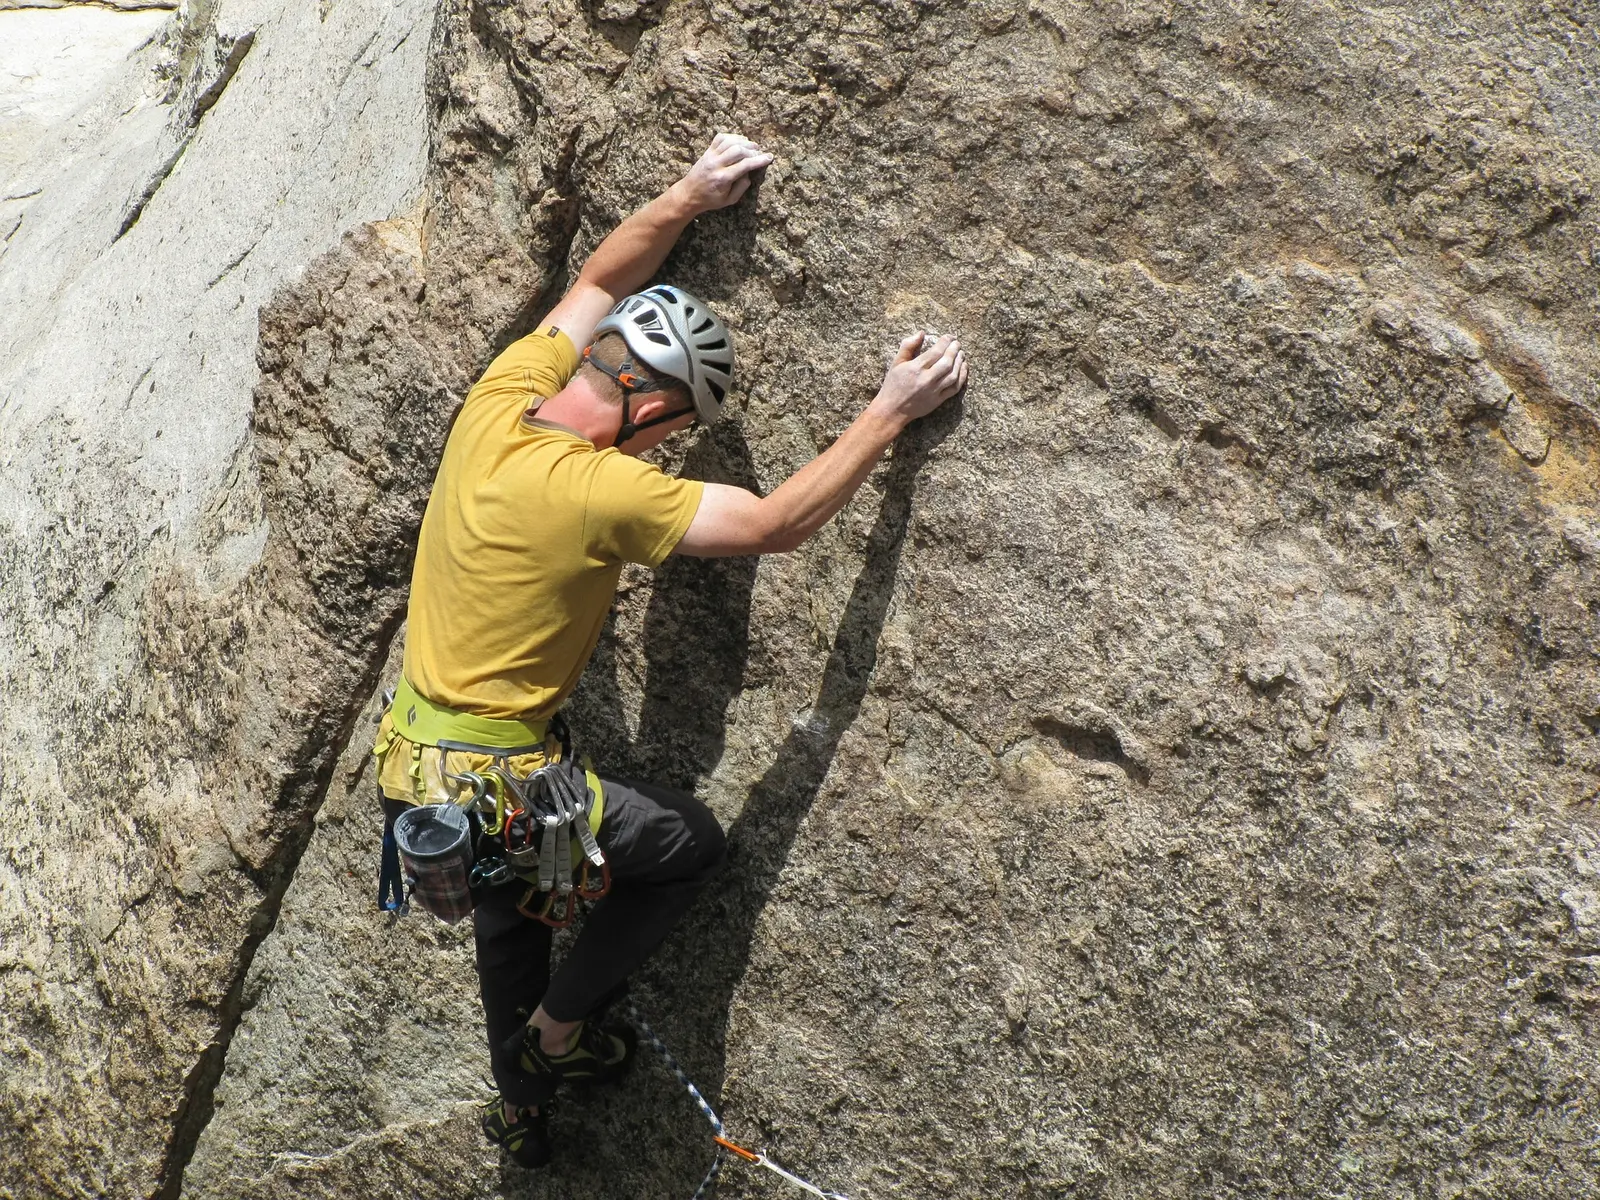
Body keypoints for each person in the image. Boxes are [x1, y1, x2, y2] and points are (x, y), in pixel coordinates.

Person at [371, 132, 968, 1169]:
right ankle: (557, 1037)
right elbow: (779, 523)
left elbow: (598, 278)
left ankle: (522, 1111)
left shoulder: (499, 397)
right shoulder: (602, 488)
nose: (662, 451)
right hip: (500, 791)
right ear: (647, 405)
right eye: (667, 433)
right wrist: (888, 411)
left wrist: (688, 196)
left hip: (411, 774)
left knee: (511, 921)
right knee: (685, 847)